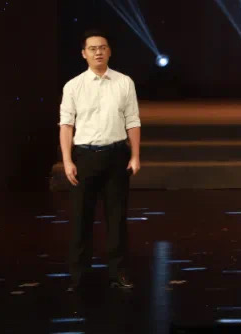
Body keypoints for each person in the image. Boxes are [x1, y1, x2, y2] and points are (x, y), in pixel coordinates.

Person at [59, 29, 141, 291]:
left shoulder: (124, 82)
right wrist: (67, 161)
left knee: (116, 219)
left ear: (109, 51)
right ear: (84, 53)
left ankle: (118, 273)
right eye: (93, 48)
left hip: (117, 156)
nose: (98, 52)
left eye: (102, 47)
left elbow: (133, 120)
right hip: (84, 157)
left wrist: (135, 155)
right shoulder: (73, 86)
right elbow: (66, 125)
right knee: (81, 219)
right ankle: (79, 276)